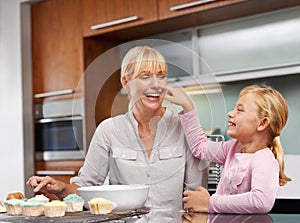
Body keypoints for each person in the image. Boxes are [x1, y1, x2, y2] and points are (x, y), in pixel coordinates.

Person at [27, 45, 209, 210]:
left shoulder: (184, 127)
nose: (156, 84)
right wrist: (61, 188)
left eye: (161, 76)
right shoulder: (108, 130)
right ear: (125, 82)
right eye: (145, 76)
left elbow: (196, 196)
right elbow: (87, 187)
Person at [161, 84, 291, 213]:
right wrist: (188, 107)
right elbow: (200, 146)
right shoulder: (232, 148)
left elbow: (261, 202)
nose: (230, 113)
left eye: (239, 110)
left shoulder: (263, 159)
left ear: (262, 123)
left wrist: (210, 203)